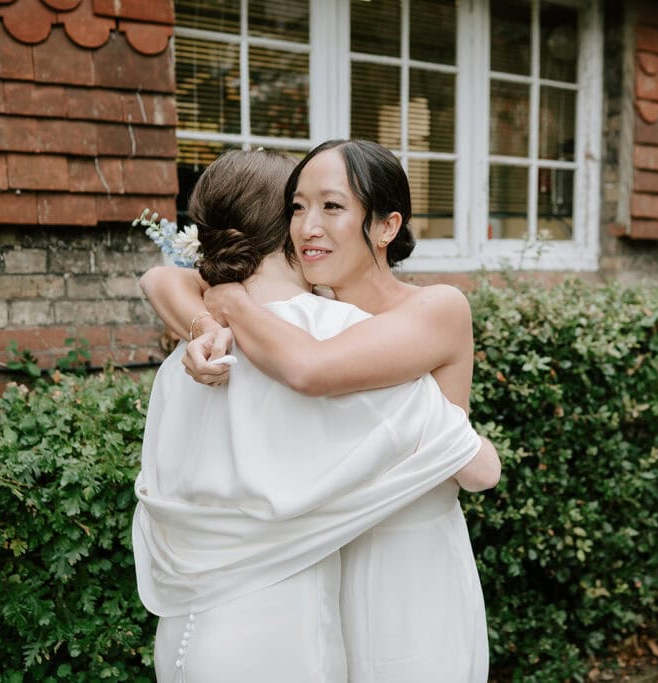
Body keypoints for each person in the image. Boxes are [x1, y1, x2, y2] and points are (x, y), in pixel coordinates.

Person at [133, 148, 500, 683]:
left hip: (404, 563)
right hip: (313, 556)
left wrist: (230, 304)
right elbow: (161, 279)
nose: (308, 226)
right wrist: (204, 325)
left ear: (384, 226)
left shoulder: (430, 308)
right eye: (297, 208)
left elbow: (311, 365)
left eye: (331, 207)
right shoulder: (303, 313)